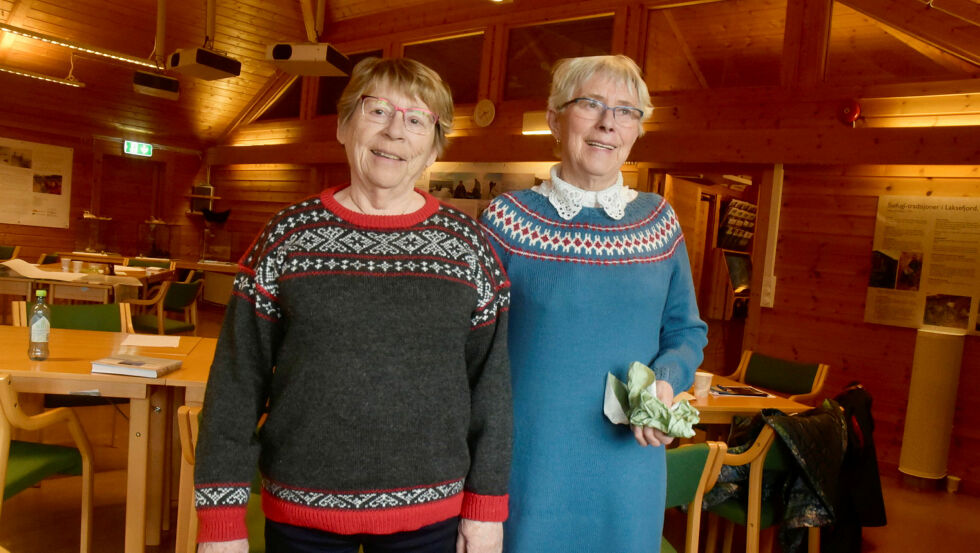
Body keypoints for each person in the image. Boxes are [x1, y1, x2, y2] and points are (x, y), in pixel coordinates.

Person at [194, 57, 512, 553]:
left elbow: (490, 390)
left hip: (432, 519)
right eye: (377, 110)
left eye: (416, 119)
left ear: (433, 145)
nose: (394, 132)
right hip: (302, 514)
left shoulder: (470, 248)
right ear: (344, 126)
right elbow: (236, 384)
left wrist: (486, 509)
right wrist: (221, 521)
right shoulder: (286, 237)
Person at [479, 54, 708, 552]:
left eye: (626, 111)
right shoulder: (506, 220)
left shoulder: (660, 223)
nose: (609, 122)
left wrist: (666, 384)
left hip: (628, 471)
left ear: (637, 130)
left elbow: (686, 332)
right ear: (555, 119)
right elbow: (468, 351)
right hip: (529, 467)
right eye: (591, 104)